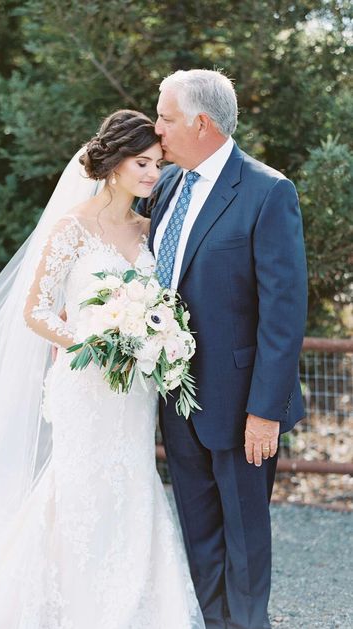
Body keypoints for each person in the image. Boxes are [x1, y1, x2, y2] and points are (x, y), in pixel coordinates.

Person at [0, 109, 205, 628]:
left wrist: (152, 339)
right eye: (142, 162)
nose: (152, 174)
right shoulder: (70, 229)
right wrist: (94, 341)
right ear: (115, 163)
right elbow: (36, 310)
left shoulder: (151, 230)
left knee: (133, 481)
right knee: (77, 486)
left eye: (158, 164)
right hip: (86, 382)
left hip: (133, 387)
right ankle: (61, 603)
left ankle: (130, 604)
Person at [137, 70, 308, 629]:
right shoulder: (164, 186)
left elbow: (283, 315)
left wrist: (265, 412)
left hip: (241, 405)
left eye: (164, 116)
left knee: (244, 535)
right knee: (199, 530)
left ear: (201, 123)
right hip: (176, 395)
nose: (155, 127)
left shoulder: (267, 191)